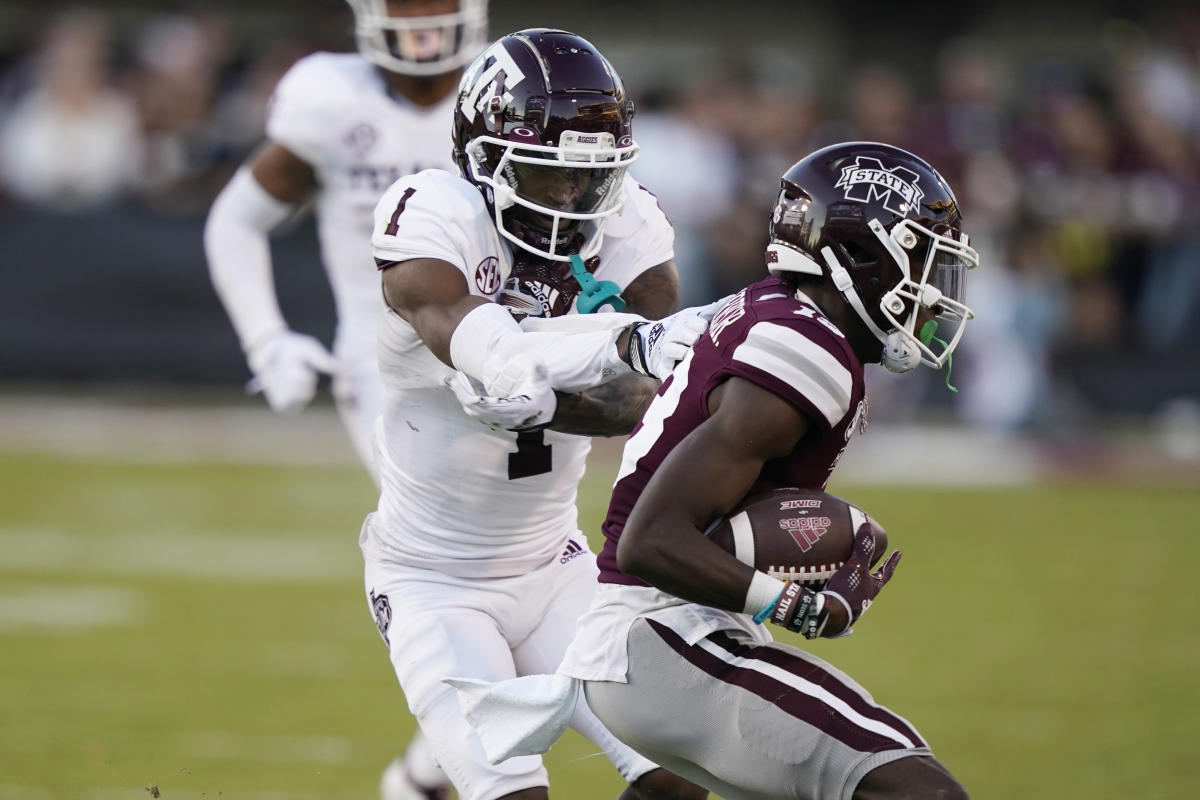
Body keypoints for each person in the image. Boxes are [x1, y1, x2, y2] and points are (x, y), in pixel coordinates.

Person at [449, 141, 979, 800]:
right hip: (660, 636)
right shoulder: (804, 350)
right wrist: (796, 605)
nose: (931, 296)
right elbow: (652, 541)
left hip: (663, 637)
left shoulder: (783, 318)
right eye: (922, 264)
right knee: (917, 791)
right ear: (860, 259)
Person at [362, 27, 715, 800]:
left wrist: (548, 383)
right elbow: (460, 322)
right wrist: (587, 348)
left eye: (585, 182)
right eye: (543, 175)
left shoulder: (630, 227)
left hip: (556, 568)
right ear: (484, 158)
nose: (565, 201)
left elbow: (639, 396)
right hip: (434, 583)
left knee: (682, 773)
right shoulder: (431, 213)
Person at [204, 2, 489, 798]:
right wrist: (266, 338)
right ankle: (433, 775)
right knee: (479, 575)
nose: (426, 24)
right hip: (387, 372)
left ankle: (427, 775)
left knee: (531, 578)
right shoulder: (332, 98)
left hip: (502, 361)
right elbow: (236, 218)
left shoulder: (511, 86)